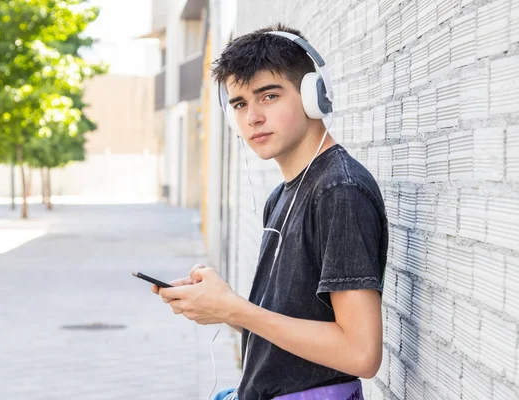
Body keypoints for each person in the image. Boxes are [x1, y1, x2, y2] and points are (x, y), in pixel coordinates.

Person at [152, 23, 388, 400]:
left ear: (314, 95)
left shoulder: (339, 192)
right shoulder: (281, 195)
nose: (252, 118)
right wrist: (222, 302)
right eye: (240, 104)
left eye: (269, 96)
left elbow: (361, 353)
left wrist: (234, 311)